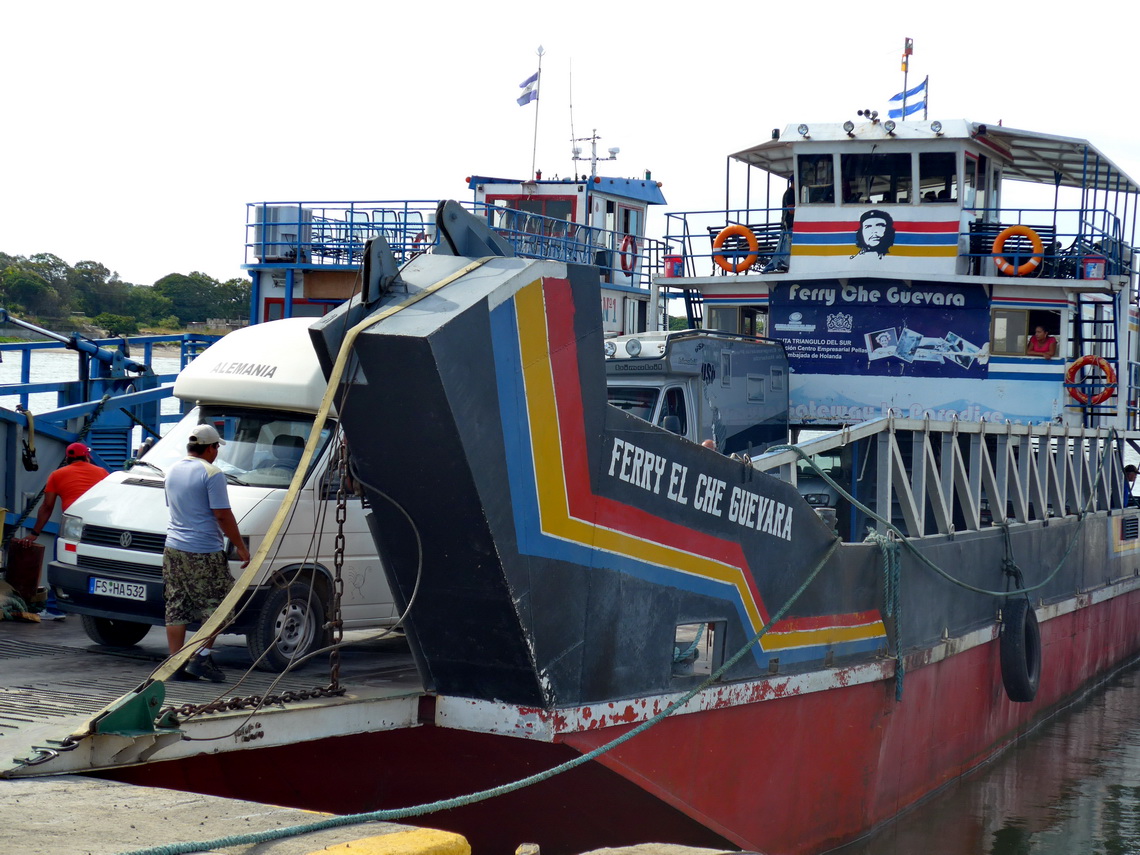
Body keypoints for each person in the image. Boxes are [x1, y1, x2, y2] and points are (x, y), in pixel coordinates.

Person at [163, 423, 250, 682]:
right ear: (211, 448)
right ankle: (200, 658)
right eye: (216, 448)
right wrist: (242, 547)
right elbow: (222, 515)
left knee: (176, 605)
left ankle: (174, 663)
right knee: (222, 607)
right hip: (203, 551)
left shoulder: (172, 470)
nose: (217, 453)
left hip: (173, 548)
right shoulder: (212, 474)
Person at [15, 442, 109, 619]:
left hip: (73, 528)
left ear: (67, 458)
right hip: (98, 529)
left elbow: (47, 507)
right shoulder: (102, 473)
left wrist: (34, 533)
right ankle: (91, 608)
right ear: (87, 457)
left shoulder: (57, 475)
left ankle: (55, 608)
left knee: (62, 565)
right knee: (94, 566)